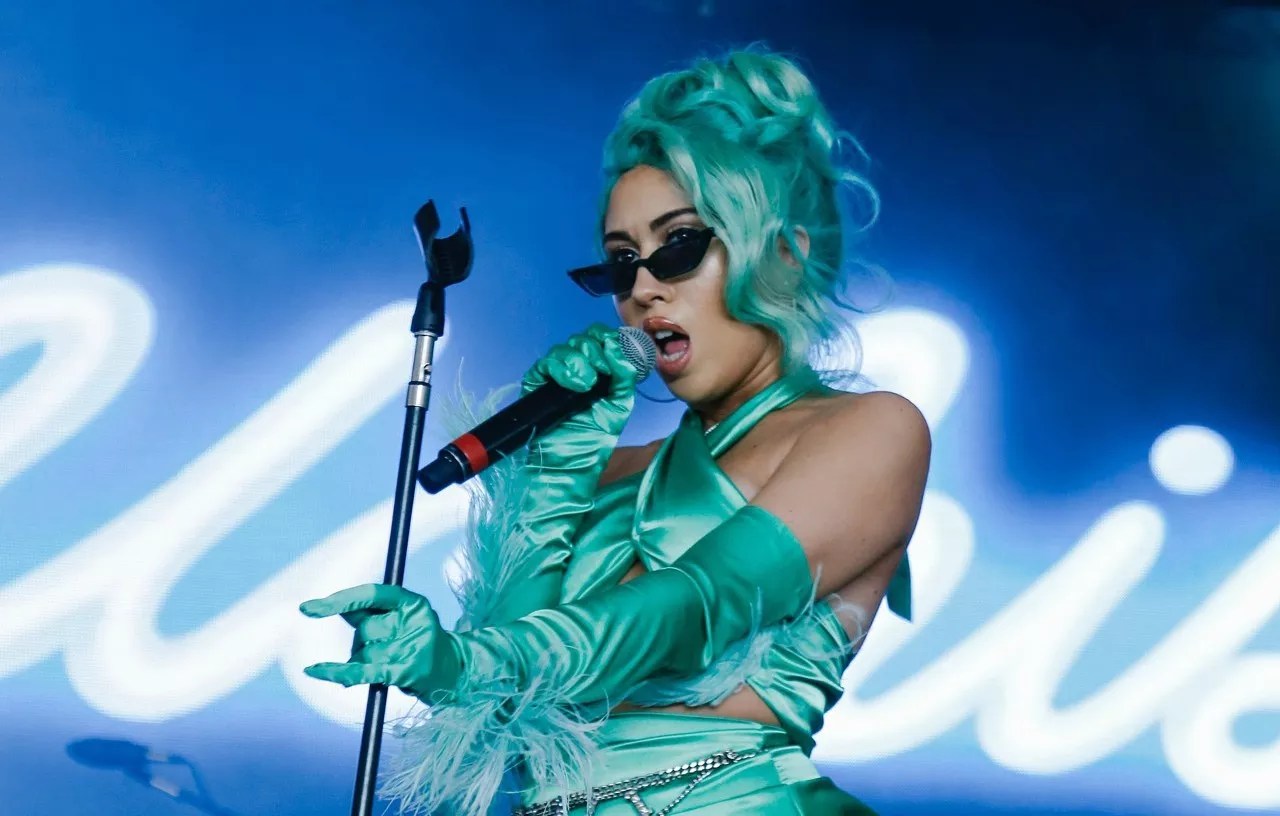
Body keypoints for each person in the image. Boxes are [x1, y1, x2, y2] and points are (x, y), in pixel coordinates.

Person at [300, 45, 929, 816]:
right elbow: (506, 719)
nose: (643, 288)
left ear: (785, 255)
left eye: (680, 245)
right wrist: (554, 476)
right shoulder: (611, 470)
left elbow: (689, 609)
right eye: (622, 261)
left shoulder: (871, 432)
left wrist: (459, 661)